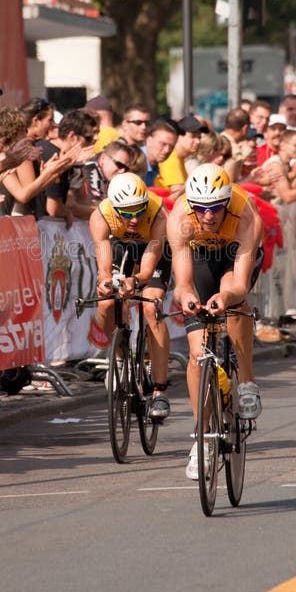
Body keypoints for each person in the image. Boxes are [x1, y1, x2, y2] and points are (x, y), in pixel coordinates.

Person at [167, 163, 264, 479]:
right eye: (201, 208)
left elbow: (238, 281)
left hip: (234, 259)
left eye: (216, 208)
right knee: (197, 355)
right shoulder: (179, 218)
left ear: (227, 203)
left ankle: (246, 380)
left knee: (232, 301)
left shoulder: (247, 216)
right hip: (200, 258)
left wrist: (226, 298)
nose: (208, 215)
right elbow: (182, 283)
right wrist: (187, 298)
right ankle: (202, 440)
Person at [89, 172, 172, 421]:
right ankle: (121, 358)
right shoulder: (100, 216)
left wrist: (135, 281)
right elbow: (103, 261)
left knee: (151, 307)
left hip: (152, 250)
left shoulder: (158, 213)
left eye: (139, 210)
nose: (134, 218)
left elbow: (148, 265)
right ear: (115, 209)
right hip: (119, 246)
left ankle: (160, 391)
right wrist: (105, 281)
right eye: (126, 213)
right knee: (106, 302)